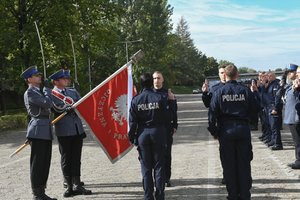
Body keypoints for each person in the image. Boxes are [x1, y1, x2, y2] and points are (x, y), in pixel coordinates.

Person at [208, 64, 260, 200]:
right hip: (242, 129)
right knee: (244, 164)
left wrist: (214, 131)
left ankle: (232, 195)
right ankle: (244, 195)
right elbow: (255, 108)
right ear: (237, 75)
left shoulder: (219, 92)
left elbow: (212, 114)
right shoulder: (245, 91)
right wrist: (250, 122)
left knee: (229, 165)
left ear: (225, 75)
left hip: (226, 130)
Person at [128, 73, 175, 200]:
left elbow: (132, 122)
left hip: (143, 134)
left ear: (141, 84)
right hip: (158, 133)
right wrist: (171, 103)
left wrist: (131, 137)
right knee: (159, 166)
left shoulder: (136, 100)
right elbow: (168, 117)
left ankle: (148, 195)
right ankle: (160, 195)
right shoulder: (159, 98)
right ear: (151, 83)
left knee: (146, 168)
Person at [49, 69, 92, 197]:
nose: (67, 80)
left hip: (76, 129)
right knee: (66, 159)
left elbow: (82, 104)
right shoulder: (51, 94)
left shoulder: (72, 92)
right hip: (64, 130)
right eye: (64, 79)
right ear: (56, 81)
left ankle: (77, 184)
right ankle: (68, 185)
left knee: (76, 158)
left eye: (67, 78)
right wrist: (64, 108)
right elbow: (55, 107)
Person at [20, 66, 57, 200]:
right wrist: (47, 90)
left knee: (45, 163)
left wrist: (46, 92)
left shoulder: (38, 91)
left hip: (45, 129)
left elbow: (49, 105)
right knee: (37, 163)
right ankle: (36, 193)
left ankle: (42, 192)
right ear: (29, 79)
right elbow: (47, 104)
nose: (40, 77)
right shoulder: (30, 93)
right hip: (37, 130)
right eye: (36, 75)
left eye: (39, 75)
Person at [201, 64, 226, 184]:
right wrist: (205, 93)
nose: (224, 75)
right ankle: (226, 174)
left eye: (225, 72)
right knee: (225, 152)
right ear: (219, 74)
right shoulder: (215, 88)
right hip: (222, 126)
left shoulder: (239, 88)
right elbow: (208, 105)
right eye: (221, 72)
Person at [152, 71, 178, 187]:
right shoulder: (148, 93)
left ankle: (166, 177)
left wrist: (175, 125)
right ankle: (157, 177)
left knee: (167, 155)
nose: (156, 80)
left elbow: (174, 111)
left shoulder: (167, 93)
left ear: (163, 80)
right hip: (153, 130)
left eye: (158, 78)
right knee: (154, 155)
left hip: (166, 129)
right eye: (154, 78)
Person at [283, 64, 300, 169]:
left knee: (298, 142)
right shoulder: (291, 85)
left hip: (296, 118)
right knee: (297, 141)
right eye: (297, 73)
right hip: (292, 117)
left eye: (298, 73)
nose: (297, 75)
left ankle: (299, 161)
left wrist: (296, 89)